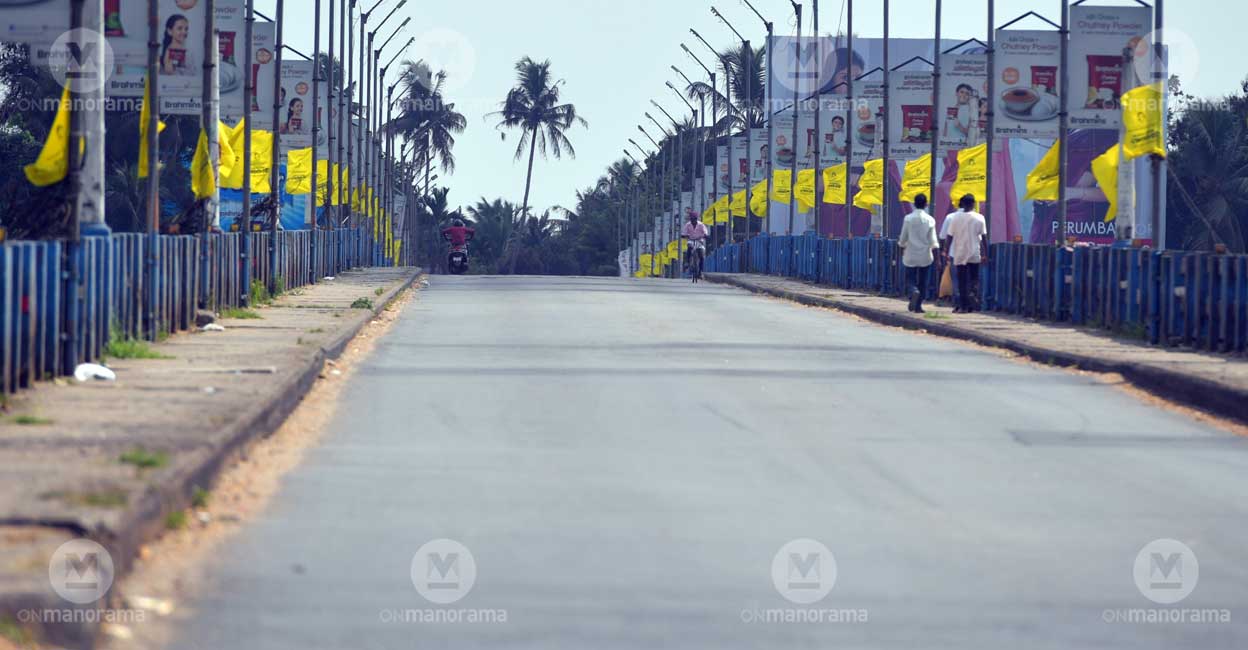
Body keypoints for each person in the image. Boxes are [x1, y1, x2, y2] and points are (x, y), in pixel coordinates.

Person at [945, 194, 989, 313]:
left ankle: (964, 305)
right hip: (974, 253)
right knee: (974, 279)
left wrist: (946, 251)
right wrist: (986, 254)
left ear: (962, 204)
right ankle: (972, 298)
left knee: (962, 281)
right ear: (974, 204)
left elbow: (949, 236)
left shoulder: (955, 218)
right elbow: (984, 238)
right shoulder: (980, 218)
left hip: (960, 253)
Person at [897, 194, 939, 313]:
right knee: (923, 281)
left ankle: (913, 291)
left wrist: (901, 247)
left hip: (910, 254)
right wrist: (937, 258)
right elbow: (933, 241)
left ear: (914, 204)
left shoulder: (908, 219)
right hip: (925, 255)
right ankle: (919, 306)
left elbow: (903, 237)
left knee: (910, 278)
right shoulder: (930, 220)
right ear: (926, 204)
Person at [681, 209, 710, 277]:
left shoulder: (701, 225)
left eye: (695, 219)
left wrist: (705, 235)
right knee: (690, 247)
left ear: (696, 219)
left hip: (699, 241)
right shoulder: (687, 225)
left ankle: (700, 272)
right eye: (692, 219)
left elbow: (705, 232)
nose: (693, 220)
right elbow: (684, 232)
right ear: (690, 219)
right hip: (691, 240)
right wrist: (684, 235)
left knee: (701, 256)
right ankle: (688, 262)